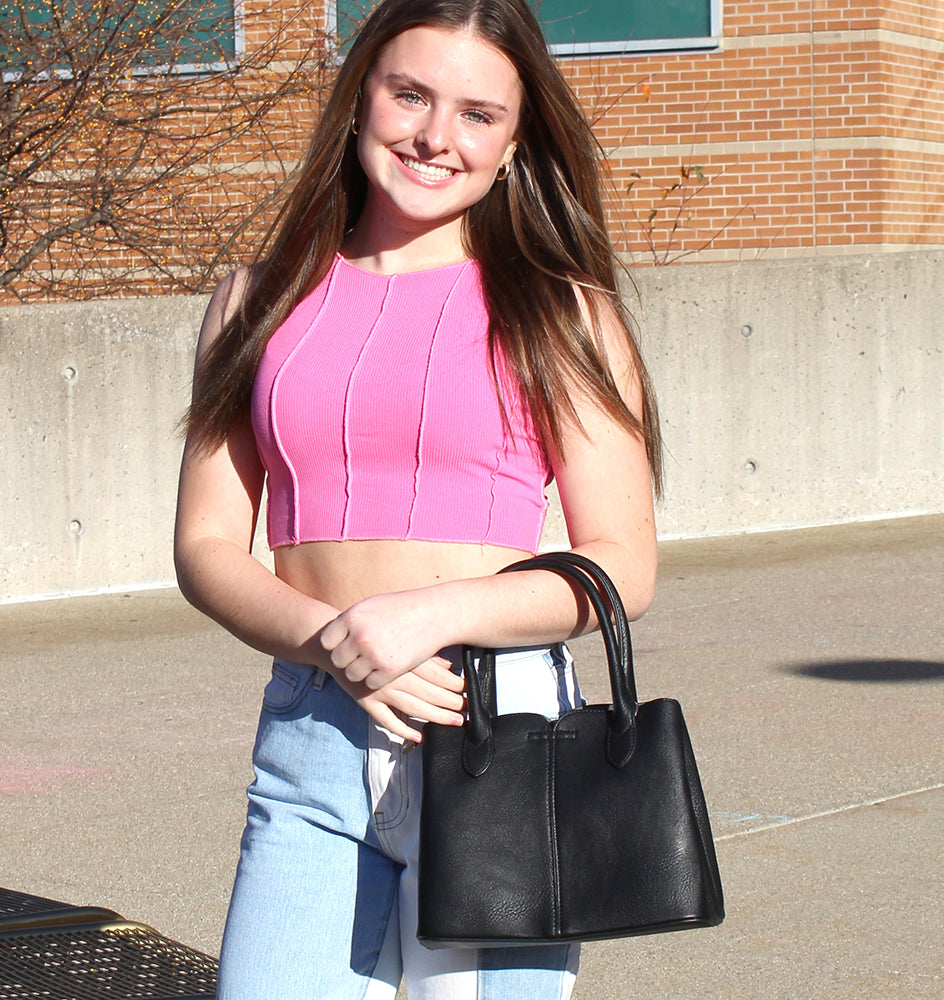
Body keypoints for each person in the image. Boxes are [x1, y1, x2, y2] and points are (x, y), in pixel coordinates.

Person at [174, 0, 662, 996]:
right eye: (410, 95)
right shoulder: (254, 301)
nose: (436, 136)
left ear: (515, 142)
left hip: (496, 734)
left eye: (478, 114)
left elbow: (621, 564)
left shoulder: (564, 312)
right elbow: (206, 545)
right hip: (311, 732)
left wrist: (425, 618)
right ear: (360, 99)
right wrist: (334, 641)